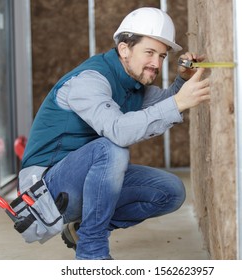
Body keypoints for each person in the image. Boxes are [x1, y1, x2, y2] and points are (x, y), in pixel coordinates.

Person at [19, 7, 210, 260]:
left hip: (80, 180)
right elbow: (119, 131)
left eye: (162, 56)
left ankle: (83, 230)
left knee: (170, 190)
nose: (157, 64)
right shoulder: (90, 80)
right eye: (149, 53)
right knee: (111, 147)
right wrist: (178, 102)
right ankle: (92, 253)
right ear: (124, 49)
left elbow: (166, 104)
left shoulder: (133, 85)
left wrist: (183, 80)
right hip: (43, 192)